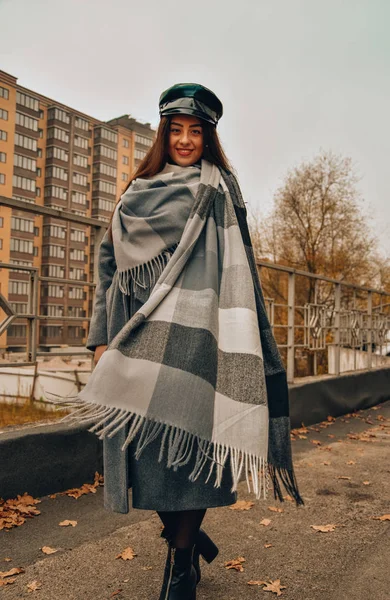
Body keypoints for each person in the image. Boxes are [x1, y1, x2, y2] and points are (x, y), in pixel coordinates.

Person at [63, 83, 303, 600]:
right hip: (136, 335)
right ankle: (184, 539)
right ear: (163, 133)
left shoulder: (219, 189)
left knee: (188, 455)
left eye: (197, 132)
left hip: (199, 337)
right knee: (149, 456)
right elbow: (107, 269)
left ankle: (179, 566)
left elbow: (242, 261)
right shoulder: (135, 191)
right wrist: (101, 339)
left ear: (209, 137)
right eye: (178, 130)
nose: (187, 140)